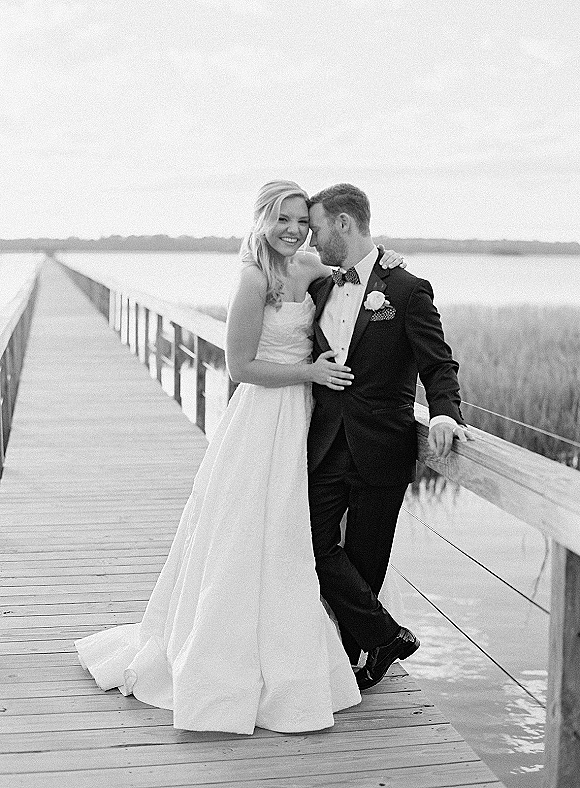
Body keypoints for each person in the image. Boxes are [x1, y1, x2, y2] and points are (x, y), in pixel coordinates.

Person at [74, 180, 405, 735]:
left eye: (303, 221)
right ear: (261, 220)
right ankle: (228, 657)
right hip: (262, 419)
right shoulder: (251, 279)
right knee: (248, 529)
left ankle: (300, 652)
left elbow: (363, 273)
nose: (295, 230)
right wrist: (311, 371)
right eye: (284, 219)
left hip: (303, 419)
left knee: (290, 536)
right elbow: (240, 367)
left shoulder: (303, 269)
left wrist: (390, 261)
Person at [306, 183, 472, 692]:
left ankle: (354, 663)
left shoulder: (406, 289)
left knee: (366, 560)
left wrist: (444, 414)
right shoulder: (320, 286)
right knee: (310, 546)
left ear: (343, 224)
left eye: (315, 228)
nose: (311, 239)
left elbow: (437, 363)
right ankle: (385, 634)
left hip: (383, 447)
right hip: (325, 444)